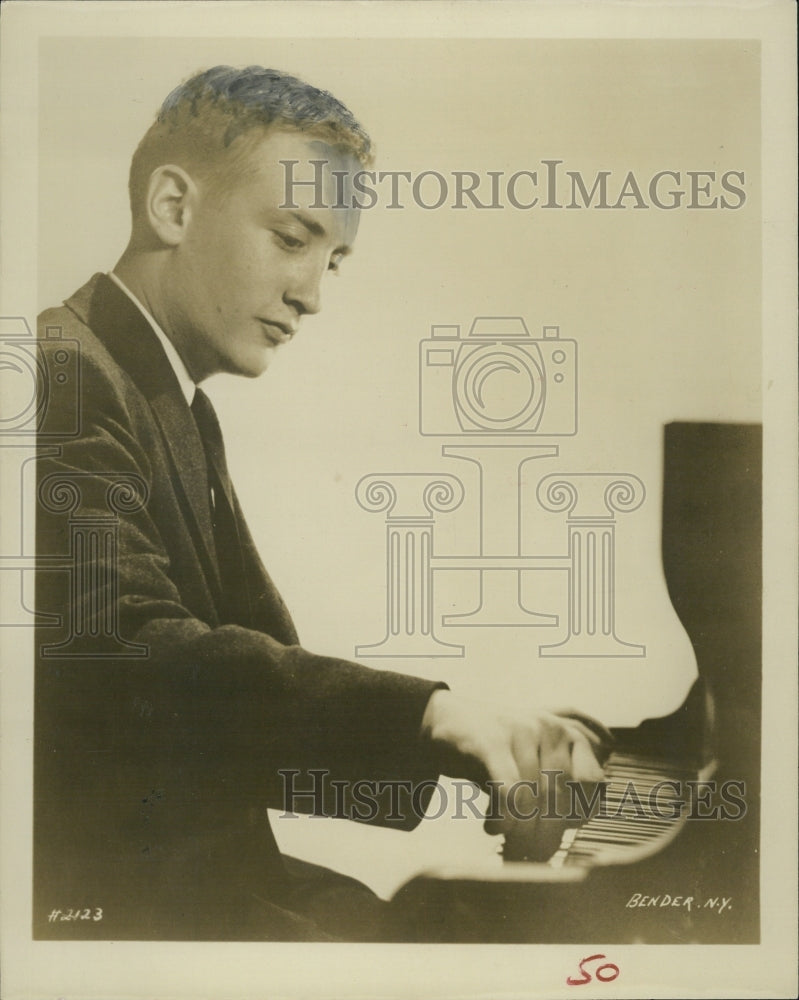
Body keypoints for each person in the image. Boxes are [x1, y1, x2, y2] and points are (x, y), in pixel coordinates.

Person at [34, 65, 606, 942]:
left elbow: (238, 712)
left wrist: (478, 752)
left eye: (331, 259)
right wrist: (436, 715)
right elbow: (128, 659)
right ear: (174, 208)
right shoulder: (61, 373)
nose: (312, 293)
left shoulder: (163, 396)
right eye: (292, 238)